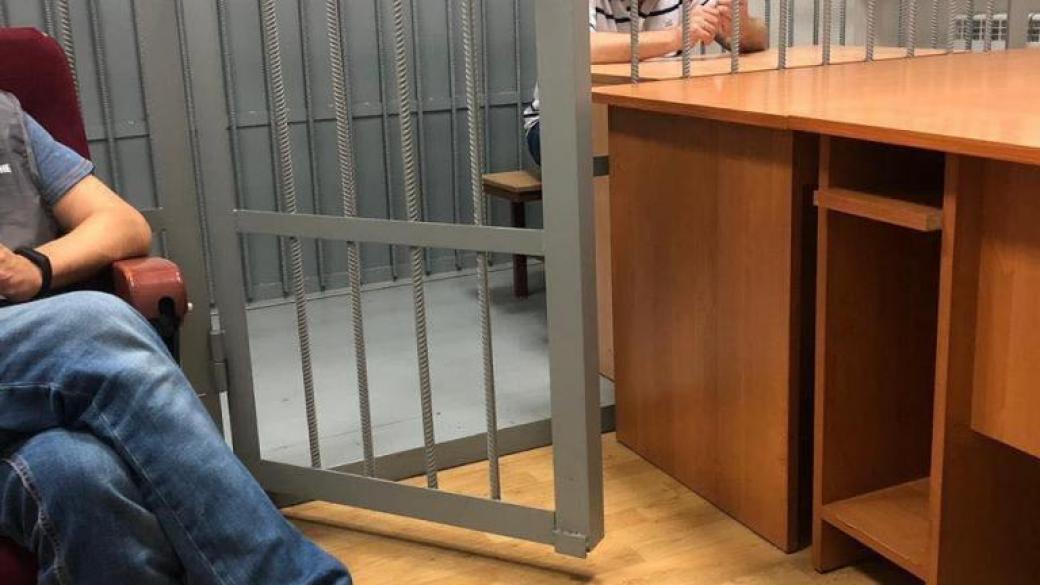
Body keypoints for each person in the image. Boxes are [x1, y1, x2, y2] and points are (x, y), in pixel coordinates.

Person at [0, 92, 352, 583]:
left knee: (80, 474)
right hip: (63, 340)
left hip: (41, 376)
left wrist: (34, 269)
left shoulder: (8, 120)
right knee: (95, 325)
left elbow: (123, 224)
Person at [524, 0, 769, 165]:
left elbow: (758, 42)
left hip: (648, 119)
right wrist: (675, 37)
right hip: (561, 123)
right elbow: (577, 46)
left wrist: (742, 25)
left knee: (719, 147)